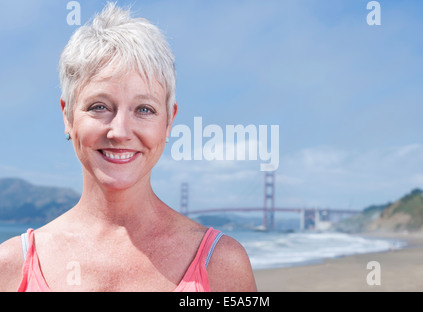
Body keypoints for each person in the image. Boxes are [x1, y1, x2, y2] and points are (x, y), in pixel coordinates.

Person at [0, 2, 257, 292]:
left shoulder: (220, 264)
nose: (120, 132)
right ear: (67, 115)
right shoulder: (10, 266)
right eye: (99, 106)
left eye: (144, 109)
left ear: (169, 120)